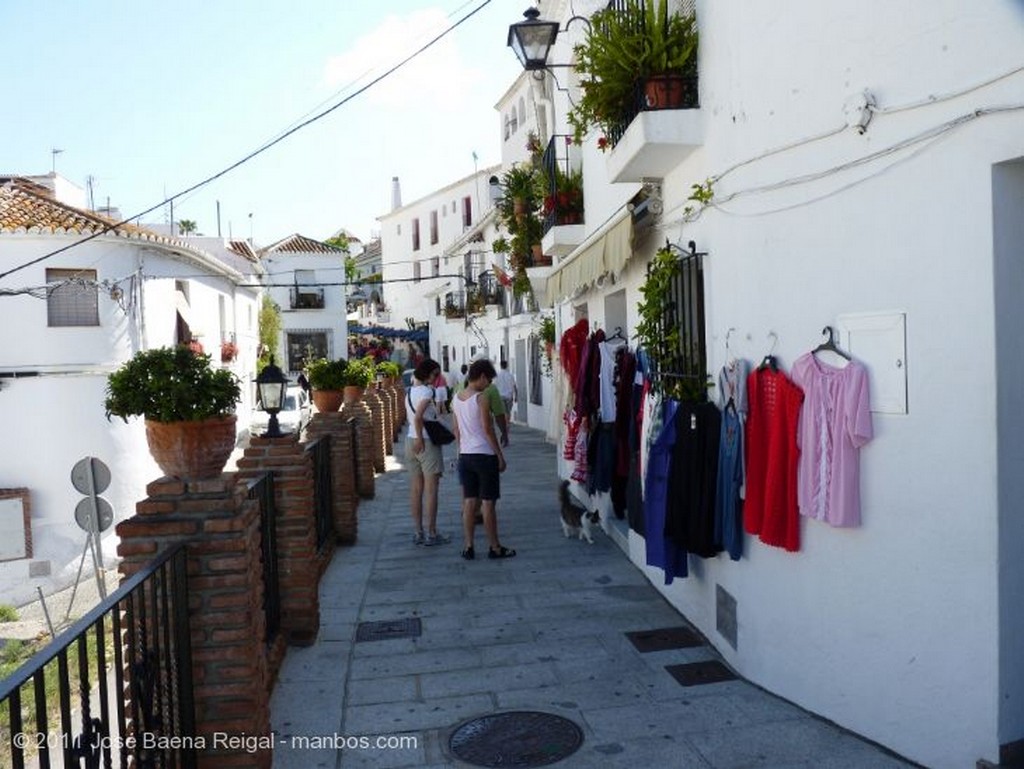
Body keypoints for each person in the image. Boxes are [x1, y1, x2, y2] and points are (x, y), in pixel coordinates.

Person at [451, 358, 516, 560]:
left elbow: (456, 430)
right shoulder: (481, 398)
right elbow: (488, 430)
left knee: (470, 502)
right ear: (481, 376)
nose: (489, 385)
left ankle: (469, 546)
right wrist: (499, 455)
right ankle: (494, 547)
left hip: (466, 455)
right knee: (488, 503)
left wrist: (460, 452)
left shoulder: (456, 399)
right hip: (484, 455)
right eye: (488, 380)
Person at [404, 358, 451, 547]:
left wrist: (415, 437)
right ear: (427, 373)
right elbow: (418, 417)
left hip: (409, 442)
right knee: (431, 490)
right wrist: (420, 438)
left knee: (416, 490)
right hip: (425, 442)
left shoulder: (409, 392)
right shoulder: (427, 391)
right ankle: (432, 533)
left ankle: (418, 532)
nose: (436, 378)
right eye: (435, 374)